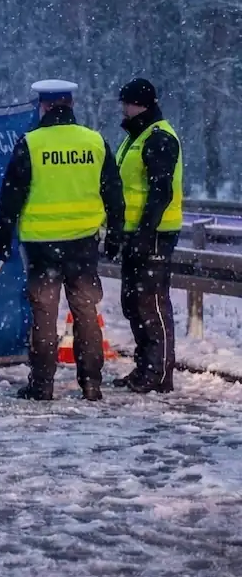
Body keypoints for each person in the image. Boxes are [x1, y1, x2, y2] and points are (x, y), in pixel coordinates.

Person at [0, 79, 125, 401]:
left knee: (44, 315)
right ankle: (91, 384)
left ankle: (42, 385)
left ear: (43, 106)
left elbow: (12, 195)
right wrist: (115, 234)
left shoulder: (31, 143)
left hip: (42, 246)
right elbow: (113, 193)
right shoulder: (95, 142)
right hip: (83, 243)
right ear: (71, 104)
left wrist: (3, 233)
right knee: (86, 312)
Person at [107, 78, 182, 394]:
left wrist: (143, 233)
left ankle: (159, 374)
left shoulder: (158, 137)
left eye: (128, 103)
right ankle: (145, 368)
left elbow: (160, 192)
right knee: (134, 303)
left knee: (151, 304)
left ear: (141, 104)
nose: (123, 109)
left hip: (154, 235)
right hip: (136, 234)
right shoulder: (135, 138)